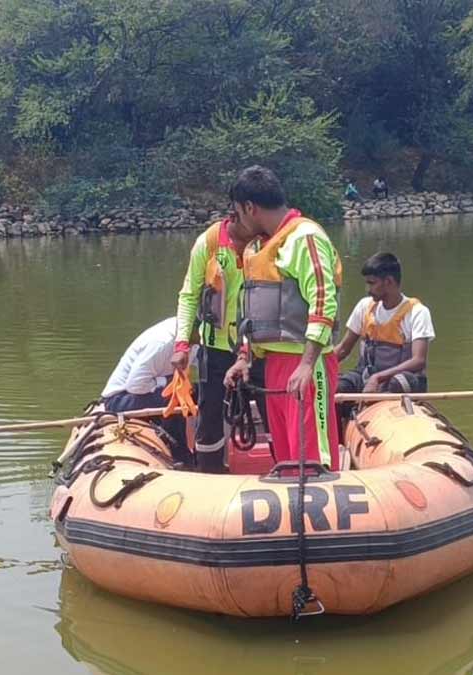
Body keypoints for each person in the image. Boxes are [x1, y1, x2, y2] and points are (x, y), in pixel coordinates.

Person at [224, 166, 344, 470]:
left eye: (237, 212)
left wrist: (306, 364)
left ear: (249, 207)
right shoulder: (258, 247)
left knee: (311, 456)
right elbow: (252, 312)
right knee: (288, 456)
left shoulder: (305, 237)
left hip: (306, 363)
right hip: (274, 365)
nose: (236, 220)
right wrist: (244, 357)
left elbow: (323, 300)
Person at [172, 213, 259, 472]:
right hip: (215, 349)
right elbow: (189, 295)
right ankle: (209, 472)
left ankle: (286, 470)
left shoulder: (266, 242)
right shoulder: (208, 244)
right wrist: (182, 344)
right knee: (209, 418)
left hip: (260, 348)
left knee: (271, 408)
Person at [334, 252, 434, 394]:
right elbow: (344, 349)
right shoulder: (364, 306)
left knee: (397, 383)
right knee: (339, 386)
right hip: (367, 376)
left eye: (372, 283)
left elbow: (419, 360)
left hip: (400, 380)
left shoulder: (417, 312)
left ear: (388, 282)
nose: (368, 290)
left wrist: (378, 378)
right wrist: (315, 366)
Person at [101, 317, 193, 464]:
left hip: (147, 392)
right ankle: (181, 457)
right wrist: (167, 381)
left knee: (196, 392)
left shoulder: (193, 341)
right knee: (174, 397)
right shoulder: (162, 343)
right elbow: (135, 386)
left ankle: (202, 449)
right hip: (121, 399)